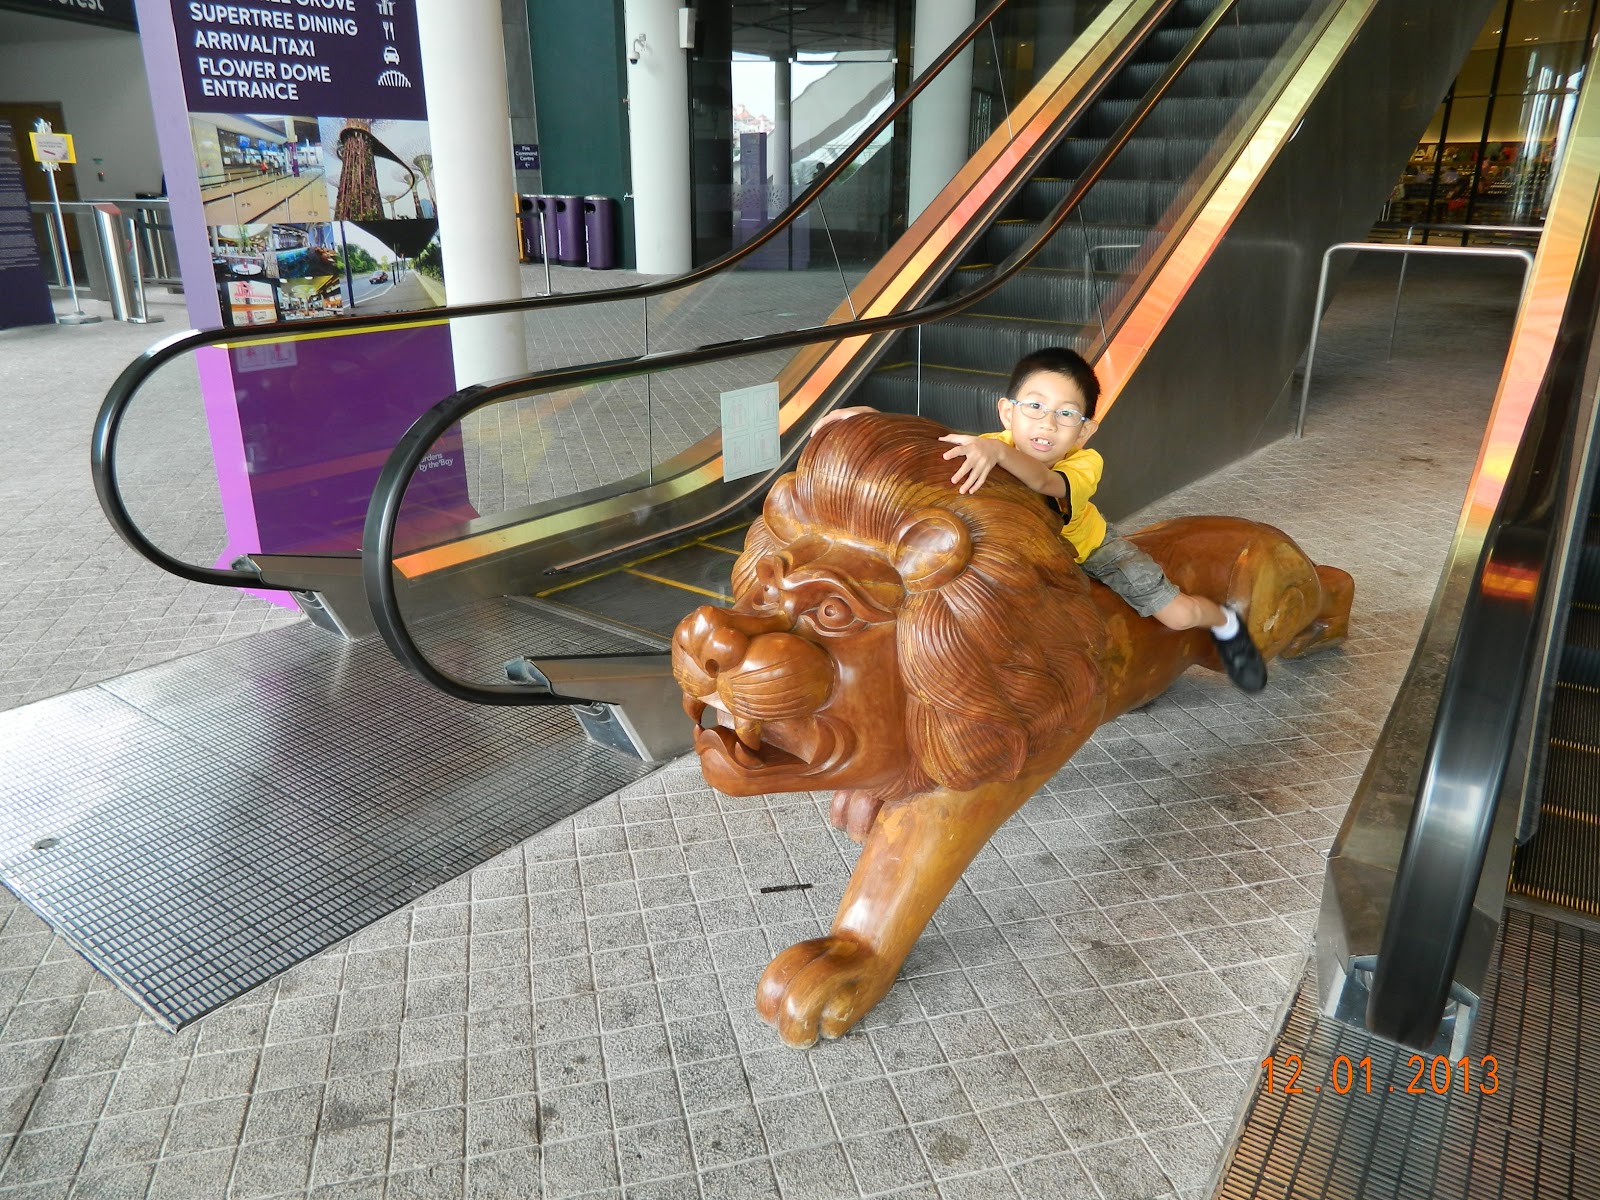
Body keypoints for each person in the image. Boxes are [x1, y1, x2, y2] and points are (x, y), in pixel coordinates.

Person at [818, 347, 1268, 692]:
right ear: (1007, 412)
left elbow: (1044, 482)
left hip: (1090, 549)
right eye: (1034, 407)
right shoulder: (991, 445)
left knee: (1177, 614)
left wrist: (998, 454)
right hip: (1030, 557)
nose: (1048, 424)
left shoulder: (1083, 463)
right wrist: (868, 420)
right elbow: (932, 448)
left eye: (1066, 414)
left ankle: (1224, 623)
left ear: (1085, 430)